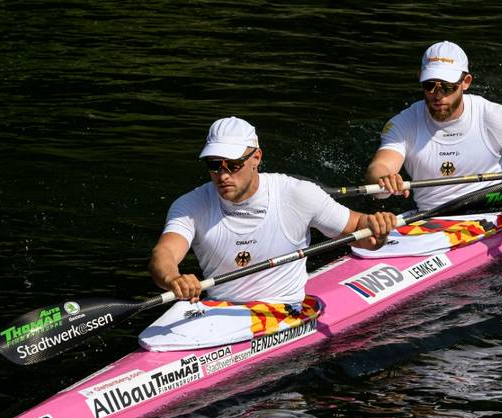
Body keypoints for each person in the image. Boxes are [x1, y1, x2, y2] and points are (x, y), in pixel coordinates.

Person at [149, 117, 397, 306]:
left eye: (233, 165)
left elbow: (363, 234)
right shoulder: (191, 205)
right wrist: (174, 279)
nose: (223, 175)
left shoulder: (297, 194)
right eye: (214, 165)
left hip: (284, 309)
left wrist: (379, 227)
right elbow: (165, 252)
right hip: (219, 312)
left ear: (256, 157)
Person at [365, 40, 502, 210]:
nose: (438, 95)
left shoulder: (494, 117)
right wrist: (384, 180)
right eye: (430, 85)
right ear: (420, 78)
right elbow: (380, 167)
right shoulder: (403, 123)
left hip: (492, 211)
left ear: (466, 82)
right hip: (431, 218)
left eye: (447, 86)